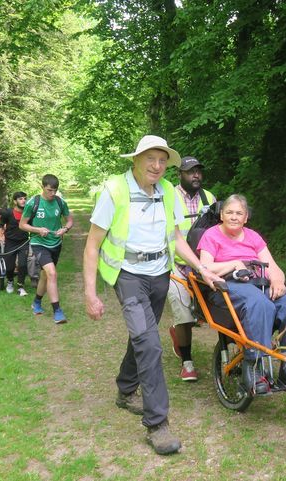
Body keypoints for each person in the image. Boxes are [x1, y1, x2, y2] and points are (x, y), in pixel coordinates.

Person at [83, 135, 222, 456]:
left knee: (141, 336)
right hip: (127, 275)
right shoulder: (114, 191)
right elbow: (92, 246)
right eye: (151, 159)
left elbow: (177, 236)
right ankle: (157, 424)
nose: (157, 166)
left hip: (160, 274)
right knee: (149, 343)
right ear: (136, 160)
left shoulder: (169, 191)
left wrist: (202, 268)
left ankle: (125, 388)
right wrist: (90, 293)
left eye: (162, 160)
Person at [198, 194, 286, 396]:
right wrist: (234, 264)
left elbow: (273, 267)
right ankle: (254, 367)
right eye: (230, 212)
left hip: (259, 283)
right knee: (261, 304)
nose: (234, 217)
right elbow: (205, 268)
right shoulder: (211, 235)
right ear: (221, 215)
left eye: (239, 213)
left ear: (246, 217)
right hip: (228, 284)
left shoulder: (253, 236)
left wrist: (277, 279)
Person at [167, 156, 216, 382]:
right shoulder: (169, 196)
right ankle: (187, 362)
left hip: (206, 264)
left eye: (198, 170)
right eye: (189, 171)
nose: (195, 175)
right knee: (183, 312)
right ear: (180, 174)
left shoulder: (210, 197)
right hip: (176, 264)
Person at [20, 174, 73, 324]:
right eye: (49, 190)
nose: (52, 194)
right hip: (39, 243)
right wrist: (37, 230)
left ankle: (36, 302)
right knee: (52, 273)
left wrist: (65, 229)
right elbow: (22, 225)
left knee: (45, 275)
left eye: (55, 190)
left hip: (56, 243)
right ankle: (58, 311)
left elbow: (69, 220)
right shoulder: (33, 203)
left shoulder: (60, 202)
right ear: (42, 187)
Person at [0, 191, 30, 296]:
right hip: (10, 242)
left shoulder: (29, 212)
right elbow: (0, 225)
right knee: (10, 267)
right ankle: (10, 282)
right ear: (15, 201)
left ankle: (21, 287)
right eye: (20, 199)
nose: (23, 201)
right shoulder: (7, 212)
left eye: (25, 198)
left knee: (23, 264)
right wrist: (1, 236)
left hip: (24, 241)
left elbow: (33, 225)